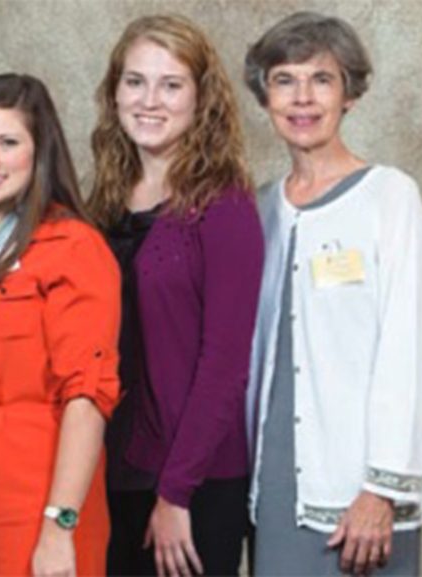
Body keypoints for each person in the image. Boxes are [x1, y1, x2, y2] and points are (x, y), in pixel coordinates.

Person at [244, 11, 422, 576]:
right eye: (285, 80)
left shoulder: (390, 199)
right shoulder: (260, 209)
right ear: (265, 97)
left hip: (359, 497)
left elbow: (412, 348)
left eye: (321, 79)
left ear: (349, 93)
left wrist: (382, 489)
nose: (302, 98)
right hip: (276, 487)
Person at [0, 73, 121, 576]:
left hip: (39, 498)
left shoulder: (73, 248)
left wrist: (60, 526)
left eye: (8, 143)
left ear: (40, 153)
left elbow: (89, 398)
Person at [87, 14, 264, 577]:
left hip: (194, 482)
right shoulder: (106, 201)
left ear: (201, 97)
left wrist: (176, 494)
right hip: (113, 471)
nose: (149, 100)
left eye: (171, 84)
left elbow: (225, 365)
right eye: (135, 81)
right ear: (114, 92)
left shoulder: (223, 205)